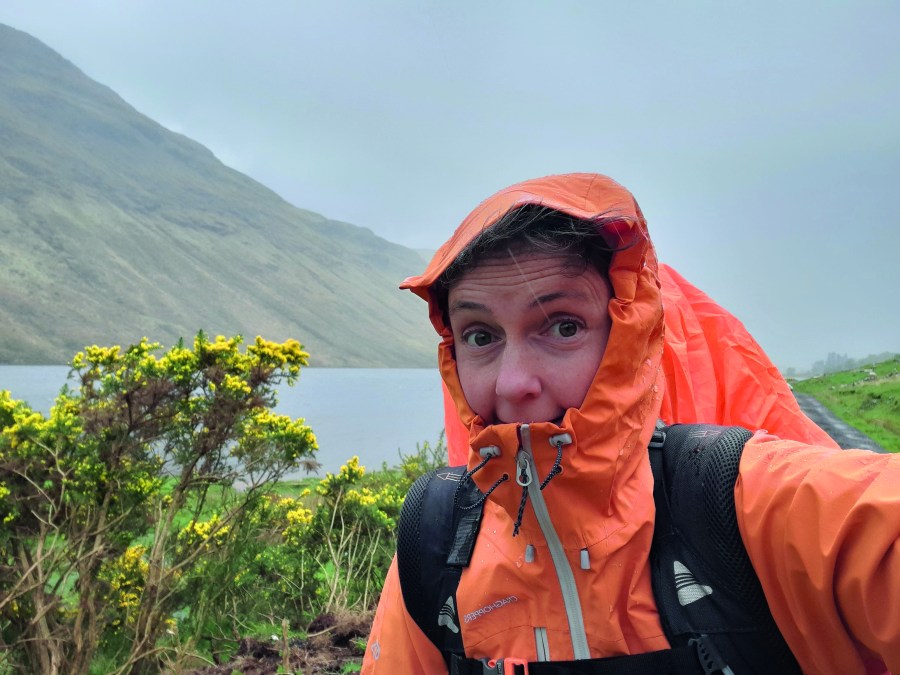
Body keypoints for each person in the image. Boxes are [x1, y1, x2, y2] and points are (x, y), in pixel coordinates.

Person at [361, 173, 899, 674]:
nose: (511, 383)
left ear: (628, 335)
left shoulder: (751, 506)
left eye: (563, 326)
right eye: (481, 335)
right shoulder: (436, 549)